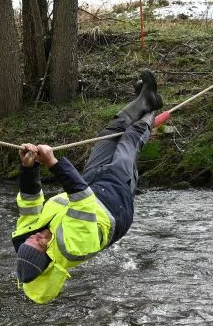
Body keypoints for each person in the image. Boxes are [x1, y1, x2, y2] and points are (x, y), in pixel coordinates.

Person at [12, 70, 164, 302]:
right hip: (114, 204)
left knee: (110, 135)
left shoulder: (26, 237)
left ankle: (146, 99)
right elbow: (83, 199)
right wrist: (52, 162)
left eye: (33, 239)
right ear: (48, 256)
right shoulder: (71, 248)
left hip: (90, 185)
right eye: (41, 243)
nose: (39, 235)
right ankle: (151, 108)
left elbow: (30, 202)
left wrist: (29, 167)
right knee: (130, 139)